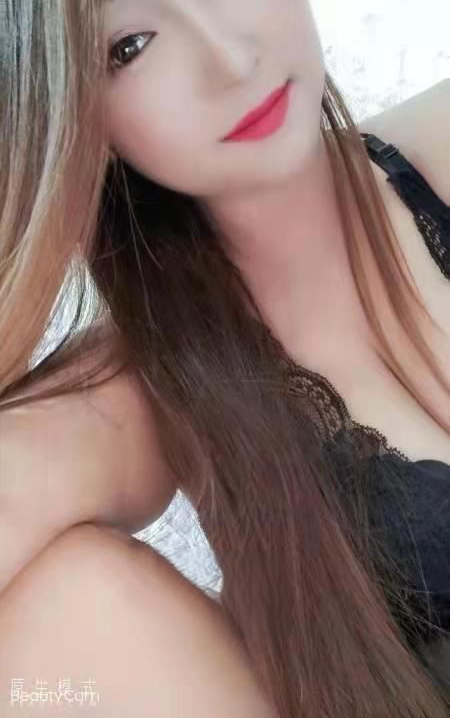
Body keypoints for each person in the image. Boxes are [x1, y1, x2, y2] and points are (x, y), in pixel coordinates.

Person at [0, 0, 449, 715]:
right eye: (132, 46)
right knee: (61, 607)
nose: (233, 60)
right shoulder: (142, 396)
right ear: (82, 125)